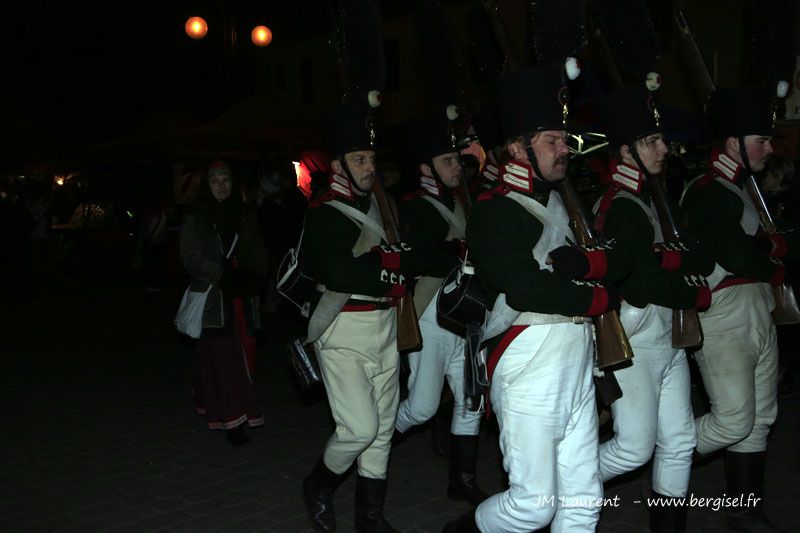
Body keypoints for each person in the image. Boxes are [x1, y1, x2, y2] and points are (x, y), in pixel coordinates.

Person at [444, 65, 629, 533]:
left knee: (584, 502)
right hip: (528, 357)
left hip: (576, 355)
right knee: (533, 505)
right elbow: (523, 287)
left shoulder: (564, 204)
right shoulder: (493, 211)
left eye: (564, 139)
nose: (565, 148)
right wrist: (599, 298)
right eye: (553, 139)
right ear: (516, 148)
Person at [586, 85, 714, 531]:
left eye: (662, 140)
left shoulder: (650, 195)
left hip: (666, 335)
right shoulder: (620, 204)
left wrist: (677, 261)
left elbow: (684, 254)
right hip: (636, 337)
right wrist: (693, 294)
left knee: (679, 440)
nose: (665, 148)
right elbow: (639, 279)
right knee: (633, 449)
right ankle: (565, 487)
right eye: (651, 141)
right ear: (625, 151)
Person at [300, 97, 427, 533]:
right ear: (338, 166)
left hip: (386, 325)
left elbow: (407, 255)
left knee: (384, 429)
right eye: (359, 158)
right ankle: (318, 486)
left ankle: (369, 518)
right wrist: (390, 271)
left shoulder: (383, 205)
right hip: (344, 329)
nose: (369, 165)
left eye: (371, 157)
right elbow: (337, 270)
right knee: (358, 428)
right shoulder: (324, 213)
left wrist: (391, 265)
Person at [680, 83, 800, 531]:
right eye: (761, 140)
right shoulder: (710, 190)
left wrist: (770, 246)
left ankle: (743, 509)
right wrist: (773, 250)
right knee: (733, 421)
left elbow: (776, 243)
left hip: (757, 307)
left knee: (759, 419)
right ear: (734, 143)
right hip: (726, 310)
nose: (770, 148)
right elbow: (737, 255)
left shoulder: (745, 189)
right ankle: (659, 455)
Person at [393, 111, 487, 505]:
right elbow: (409, 259)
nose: (456, 166)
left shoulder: (465, 202)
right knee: (422, 407)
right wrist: (450, 253)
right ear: (425, 167)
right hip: (431, 314)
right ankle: (378, 438)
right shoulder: (413, 207)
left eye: (455, 159)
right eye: (447, 160)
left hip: (465, 314)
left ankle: (462, 482)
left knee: (472, 402)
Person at [179, 160, 268, 446]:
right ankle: (233, 421)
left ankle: (236, 408)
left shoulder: (244, 214)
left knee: (246, 354)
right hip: (215, 300)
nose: (222, 186)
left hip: (242, 297)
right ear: (208, 184)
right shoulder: (196, 216)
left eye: (226, 180)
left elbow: (257, 250)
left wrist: (254, 276)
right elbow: (190, 257)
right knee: (222, 360)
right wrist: (220, 275)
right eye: (216, 180)